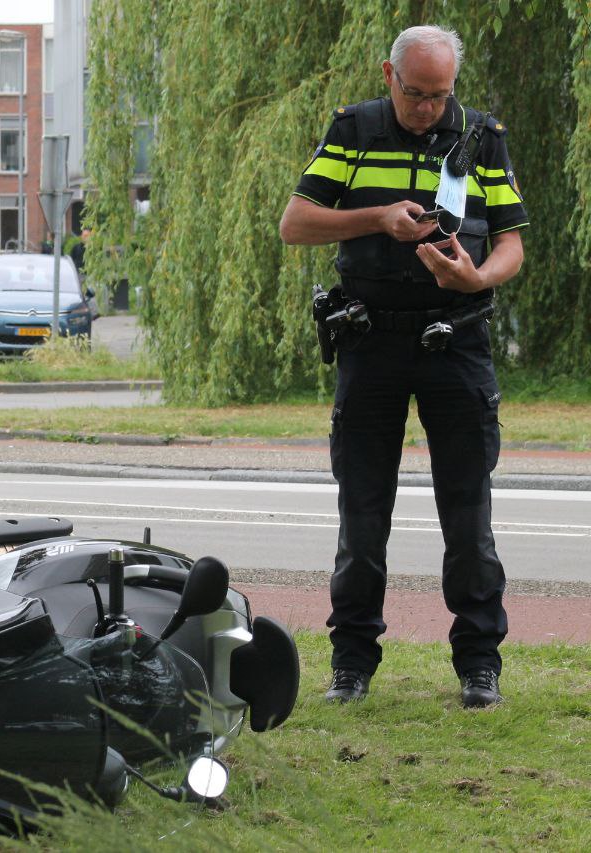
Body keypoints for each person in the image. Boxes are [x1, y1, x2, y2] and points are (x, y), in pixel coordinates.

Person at [279, 25, 528, 708]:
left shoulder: (481, 137)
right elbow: (295, 223)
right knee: (362, 519)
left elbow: (511, 242)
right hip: (372, 343)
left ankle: (480, 666)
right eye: (415, 94)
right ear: (389, 74)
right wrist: (377, 218)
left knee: (469, 520)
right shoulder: (354, 130)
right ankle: (351, 664)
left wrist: (477, 280)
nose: (427, 109)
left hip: (459, 342)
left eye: (439, 95)